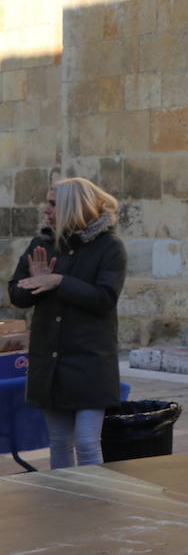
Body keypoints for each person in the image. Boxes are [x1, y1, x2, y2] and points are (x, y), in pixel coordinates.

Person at [7, 177, 126, 469]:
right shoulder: (42, 243)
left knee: (86, 443)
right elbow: (17, 295)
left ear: (73, 207)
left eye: (53, 204)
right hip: (50, 362)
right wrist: (34, 282)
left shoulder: (110, 247)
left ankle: (92, 505)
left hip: (90, 362)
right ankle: (64, 508)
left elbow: (104, 298)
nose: (45, 210)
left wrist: (58, 281)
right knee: (59, 443)